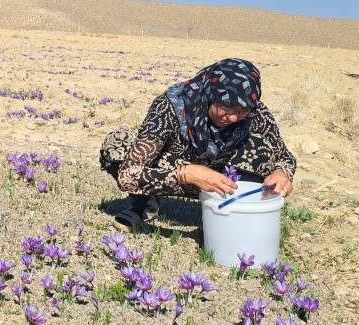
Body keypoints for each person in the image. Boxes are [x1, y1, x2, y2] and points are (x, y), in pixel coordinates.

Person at [99, 57, 296, 232]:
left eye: (243, 110)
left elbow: (285, 157)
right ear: (210, 94)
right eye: (226, 106)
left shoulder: (256, 112)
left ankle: (233, 213)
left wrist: (281, 173)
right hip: (178, 171)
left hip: (226, 181)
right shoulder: (170, 106)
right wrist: (186, 173)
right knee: (118, 144)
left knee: (264, 152)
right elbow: (127, 175)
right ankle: (142, 203)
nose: (234, 117)